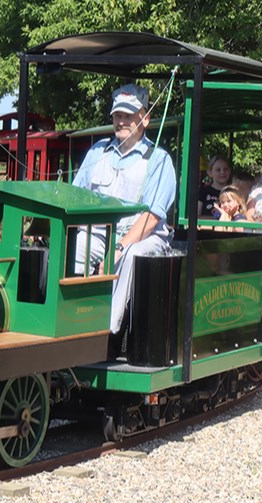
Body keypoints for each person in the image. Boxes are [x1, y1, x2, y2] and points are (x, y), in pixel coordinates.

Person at [72, 84, 177, 335]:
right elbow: (74, 196)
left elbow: (152, 217)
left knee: (130, 256)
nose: (121, 122)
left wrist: (118, 249)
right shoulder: (97, 152)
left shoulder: (159, 159)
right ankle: (71, 324)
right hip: (98, 234)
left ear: (145, 118)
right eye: (117, 116)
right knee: (73, 247)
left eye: (128, 116)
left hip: (144, 238)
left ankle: (108, 334)